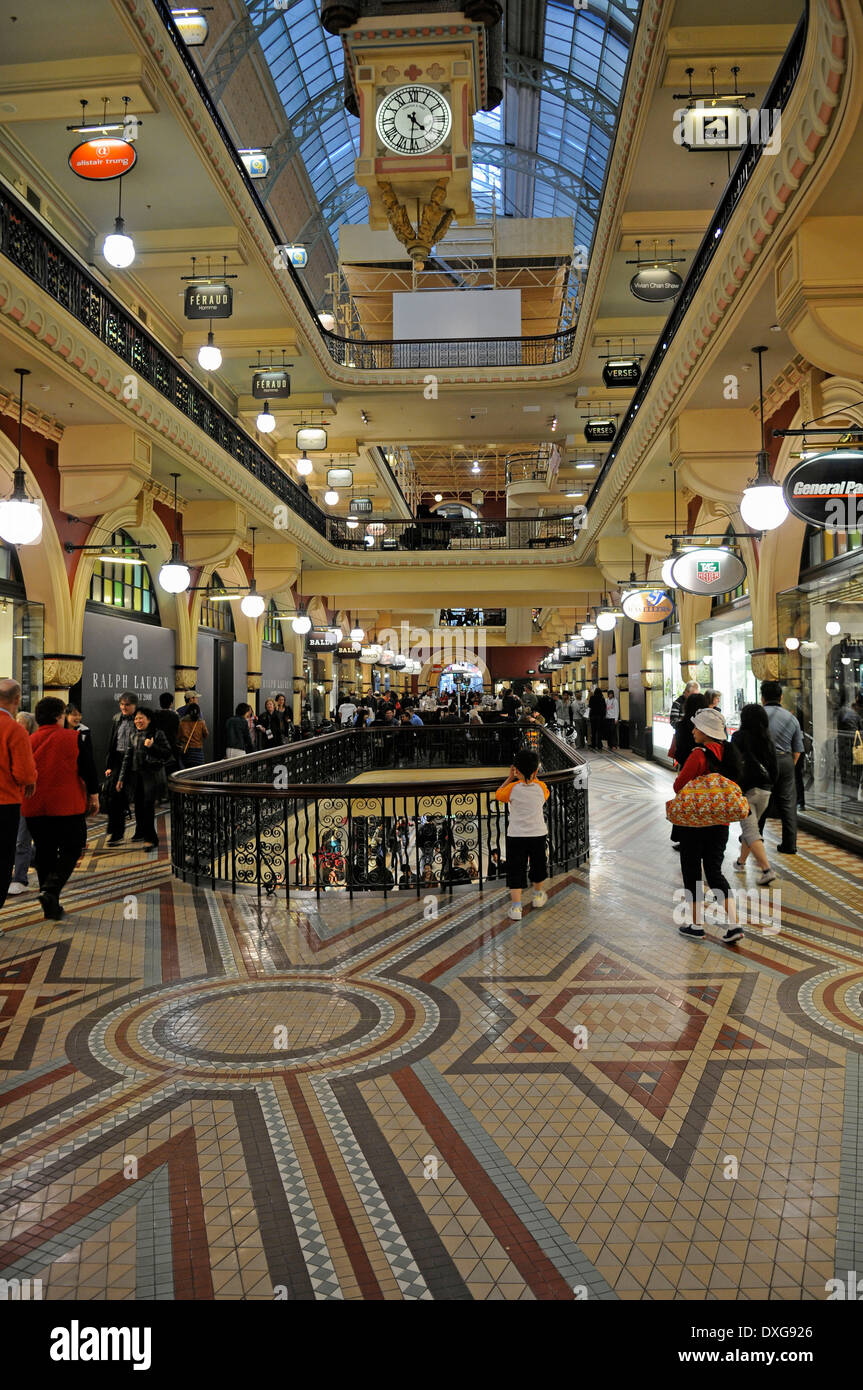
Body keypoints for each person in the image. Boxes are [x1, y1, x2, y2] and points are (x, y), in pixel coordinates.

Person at [21, 696, 99, 921]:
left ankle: (50, 906)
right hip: (66, 806)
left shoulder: (30, 740)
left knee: (44, 851)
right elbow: (88, 769)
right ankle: (51, 889)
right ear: (59, 716)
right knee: (74, 846)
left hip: (34, 805)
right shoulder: (73, 738)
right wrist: (94, 797)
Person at [673, 707, 745, 945]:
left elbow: (679, 785)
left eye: (696, 727)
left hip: (695, 821)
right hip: (720, 822)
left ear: (705, 731)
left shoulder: (699, 755)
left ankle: (695, 925)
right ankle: (734, 924)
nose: (693, 731)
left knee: (692, 869)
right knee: (714, 871)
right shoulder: (730, 752)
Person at [495, 748, 549, 921]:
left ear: (516, 770)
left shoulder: (511, 789)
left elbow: (498, 794)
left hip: (516, 835)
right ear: (536, 770)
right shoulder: (541, 788)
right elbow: (543, 792)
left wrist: (510, 777)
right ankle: (538, 896)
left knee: (516, 870)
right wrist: (532, 775)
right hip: (538, 834)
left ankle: (516, 908)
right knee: (538, 865)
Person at [0, 679, 37, 920]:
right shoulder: (15, 730)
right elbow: (23, 773)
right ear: (17, 700)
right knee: (3, 858)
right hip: (5, 804)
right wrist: (31, 780)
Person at [731, 704, 779, 885]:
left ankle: (767, 869)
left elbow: (734, 765)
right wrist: (770, 785)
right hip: (766, 791)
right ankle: (740, 862)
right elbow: (775, 769)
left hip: (747, 791)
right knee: (752, 829)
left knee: (750, 830)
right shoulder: (768, 740)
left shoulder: (739, 738)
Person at [116, 707, 173, 850]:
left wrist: (152, 746)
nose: (137, 721)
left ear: (149, 719)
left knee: (148, 806)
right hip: (136, 775)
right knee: (139, 806)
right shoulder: (133, 734)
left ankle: (151, 839)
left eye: (141, 718)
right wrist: (121, 778)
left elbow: (167, 753)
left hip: (151, 774)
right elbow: (127, 758)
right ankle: (140, 832)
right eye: (136, 718)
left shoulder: (157, 734)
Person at [757, 681, 804, 854]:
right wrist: (787, 766)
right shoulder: (791, 718)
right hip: (785, 761)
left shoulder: (757, 715)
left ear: (762, 698)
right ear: (781, 697)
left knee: (760, 799)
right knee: (787, 804)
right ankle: (789, 845)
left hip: (762, 762)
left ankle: (755, 838)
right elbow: (798, 749)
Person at [669, 692, 708, 851]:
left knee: (685, 801)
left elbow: (678, 751)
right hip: (705, 770)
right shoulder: (708, 726)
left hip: (686, 767)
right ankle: (704, 834)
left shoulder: (682, 725)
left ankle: (683, 836)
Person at [7, 709, 37, 898]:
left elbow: (26, 773)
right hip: (12, 798)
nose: (17, 725)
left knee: (21, 839)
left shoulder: (29, 743)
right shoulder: (14, 740)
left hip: (26, 798)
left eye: (21, 723)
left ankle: (19, 878)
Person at [104, 691, 138, 846]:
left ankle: (139, 832)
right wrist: (109, 765)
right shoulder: (116, 718)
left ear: (134, 705)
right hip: (118, 760)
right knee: (114, 795)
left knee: (130, 797)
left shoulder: (138, 719)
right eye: (122, 704)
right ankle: (116, 832)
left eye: (128, 705)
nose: (124, 707)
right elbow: (111, 741)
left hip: (133, 762)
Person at [177, 702, 208, 769]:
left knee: (187, 771)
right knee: (199, 771)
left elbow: (178, 736)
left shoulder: (182, 722)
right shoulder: (201, 722)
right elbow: (206, 735)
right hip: (198, 751)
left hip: (186, 751)